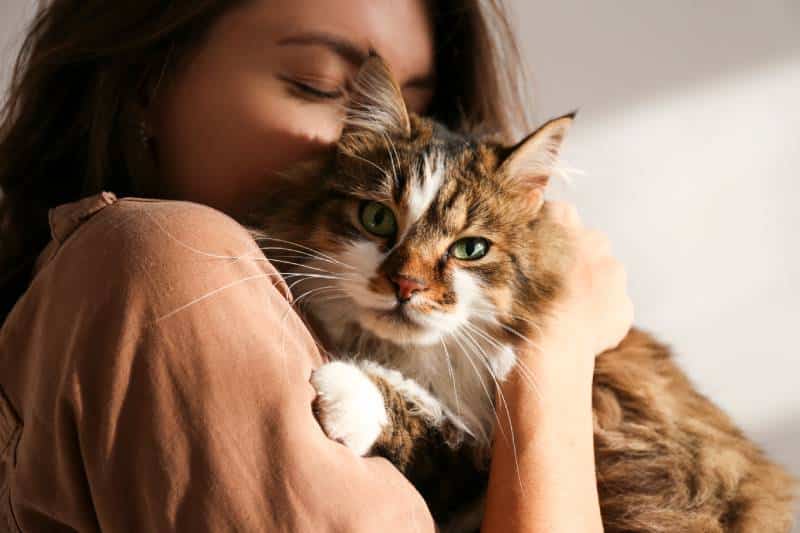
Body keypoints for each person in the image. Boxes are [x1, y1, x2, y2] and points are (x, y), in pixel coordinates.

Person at [0, 1, 633, 531]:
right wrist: (556, 353)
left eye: (416, 106)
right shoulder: (169, 259)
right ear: (146, 80)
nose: (366, 144)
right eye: (323, 87)